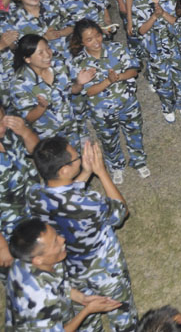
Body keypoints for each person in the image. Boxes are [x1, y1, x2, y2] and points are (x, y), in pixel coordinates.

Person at [28, 137, 138, 330]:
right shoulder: (89, 203)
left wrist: (86, 172)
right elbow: (121, 212)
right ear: (64, 170)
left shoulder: (35, 194)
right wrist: (101, 172)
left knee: (86, 316)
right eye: (75, 157)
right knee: (121, 312)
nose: (79, 157)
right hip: (104, 269)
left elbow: (65, 194)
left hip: (70, 269)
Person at [69, 19, 149, 184]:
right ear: (81, 42)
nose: (96, 41)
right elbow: (89, 91)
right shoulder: (78, 63)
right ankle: (116, 166)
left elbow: (134, 71)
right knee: (109, 140)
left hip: (127, 103)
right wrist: (108, 81)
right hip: (101, 111)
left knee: (134, 133)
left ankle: (139, 160)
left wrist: (118, 77)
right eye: (89, 39)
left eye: (97, 35)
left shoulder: (116, 48)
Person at [5, 218, 121, 330]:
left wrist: (82, 298)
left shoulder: (26, 260)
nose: (62, 239)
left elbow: (58, 284)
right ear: (38, 259)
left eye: (56, 235)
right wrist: (88, 310)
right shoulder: (41, 299)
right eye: (55, 242)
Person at [10, 34, 86, 149]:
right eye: (40, 53)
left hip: (70, 127)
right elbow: (28, 118)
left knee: (76, 155)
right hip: (48, 136)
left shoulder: (58, 64)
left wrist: (79, 83)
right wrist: (41, 107)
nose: (48, 54)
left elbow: (72, 90)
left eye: (48, 48)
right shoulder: (19, 84)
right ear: (28, 59)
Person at [0, 102, 39, 276]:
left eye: (2, 119)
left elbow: (37, 151)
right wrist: (2, 246)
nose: (2, 127)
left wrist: (25, 132)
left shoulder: (10, 132)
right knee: (20, 276)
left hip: (34, 209)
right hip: (8, 229)